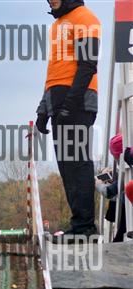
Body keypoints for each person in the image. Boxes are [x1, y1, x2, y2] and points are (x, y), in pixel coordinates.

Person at [35, 0, 100, 240]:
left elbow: (88, 66)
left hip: (77, 101)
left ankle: (85, 227)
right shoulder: (57, 25)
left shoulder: (85, 17)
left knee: (77, 162)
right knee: (67, 167)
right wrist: (43, 110)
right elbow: (54, 72)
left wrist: (70, 105)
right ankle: (79, 224)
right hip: (58, 100)